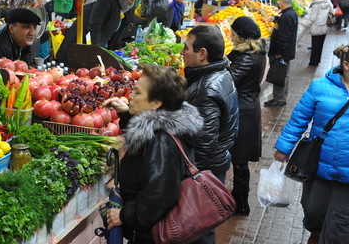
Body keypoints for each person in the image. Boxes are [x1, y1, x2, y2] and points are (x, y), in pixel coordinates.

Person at [102, 64, 204, 243]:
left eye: (138, 93)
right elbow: (146, 129)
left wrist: (125, 215)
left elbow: (160, 193)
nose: (131, 96)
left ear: (156, 103)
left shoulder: (162, 140)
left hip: (153, 236)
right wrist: (127, 114)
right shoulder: (166, 126)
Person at [274, 42, 349, 244]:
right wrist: (284, 148)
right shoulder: (320, 87)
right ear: (346, 64)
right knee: (314, 212)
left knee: (341, 224)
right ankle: (316, 234)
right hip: (317, 167)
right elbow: (299, 118)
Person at [180, 25, 239, 244]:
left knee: (198, 230)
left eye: (186, 48)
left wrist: (192, 180)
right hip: (216, 164)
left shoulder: (206, 89)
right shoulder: (219, 73)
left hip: (205, 171)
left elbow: (204, 144)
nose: (182, 52)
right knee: (205, 228)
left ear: (202, 54)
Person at [227, 16, 267, 216]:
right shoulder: (255, 53)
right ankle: (238, 197)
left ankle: (241, 202)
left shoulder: (246, 57)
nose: (230, 35)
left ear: (240, 35)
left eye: (233, 32)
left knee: (240, 160)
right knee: (239, 159)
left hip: (243, 111)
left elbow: (230, 80)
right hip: (248, 107)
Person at [56, 0, 141, 63]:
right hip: (78, 50)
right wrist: (96, 51)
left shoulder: (116, 1)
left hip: (89, 49)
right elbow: (95, 25)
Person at [265, 0, 298, 107]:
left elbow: (283, 37)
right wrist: (275, 18)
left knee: (279, 74)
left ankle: (279, 99)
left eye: (279, 0)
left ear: (283, 1)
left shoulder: (286, 16)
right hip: (287, 51)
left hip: (282, 52)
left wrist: (278, 52)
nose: (278, 2)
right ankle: (282, 96)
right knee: (284, 73)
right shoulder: (290, 13)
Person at [300, 0, 333, 66]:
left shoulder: (315, 5)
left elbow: (312, 18)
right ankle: (318, 60)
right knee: (320, 45)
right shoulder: (328, 3)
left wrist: (304, 23)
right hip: (325, 26)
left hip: (316, 27)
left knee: (315, 45)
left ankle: (313, 61)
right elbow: (331, 13)